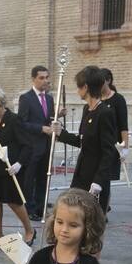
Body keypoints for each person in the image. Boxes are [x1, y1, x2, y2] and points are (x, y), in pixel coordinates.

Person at [51, 65, 118, 204]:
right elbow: (82, 141)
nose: (77, 91)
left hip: (95, 176)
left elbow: (108, 151)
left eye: (78, 87)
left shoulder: (105, 113)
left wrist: (99, 181)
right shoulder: (87, 109)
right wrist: (61, 133)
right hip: (81, 173)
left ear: (86, 87)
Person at [0, 85, 35, 250]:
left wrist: (19, 164)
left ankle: (30, 230)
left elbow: (27, 145)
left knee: (14, 201)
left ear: (1, 103)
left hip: (13, 168)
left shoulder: (14, 120)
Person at [16, 65, 56, 221]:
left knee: (43, 177)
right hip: (32, 145)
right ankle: (29, 208)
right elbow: (22, 123)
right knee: (30, 178)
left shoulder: (50, 98)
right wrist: (41, 129)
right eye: (41, 78)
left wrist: (57, 116)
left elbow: (49, 118)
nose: (45, 80)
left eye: (47, 77)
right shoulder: (26, 98)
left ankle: (41, 207)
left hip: (46, 145)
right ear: (33, 79)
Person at [98, 69, 128, 211]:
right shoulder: (95, 98)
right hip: (97, 145)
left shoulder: (118, 99)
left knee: (105, 180)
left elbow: (123, 125)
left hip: (112, 146)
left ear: (108, 81)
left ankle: (104, 209)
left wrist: (125, 147)